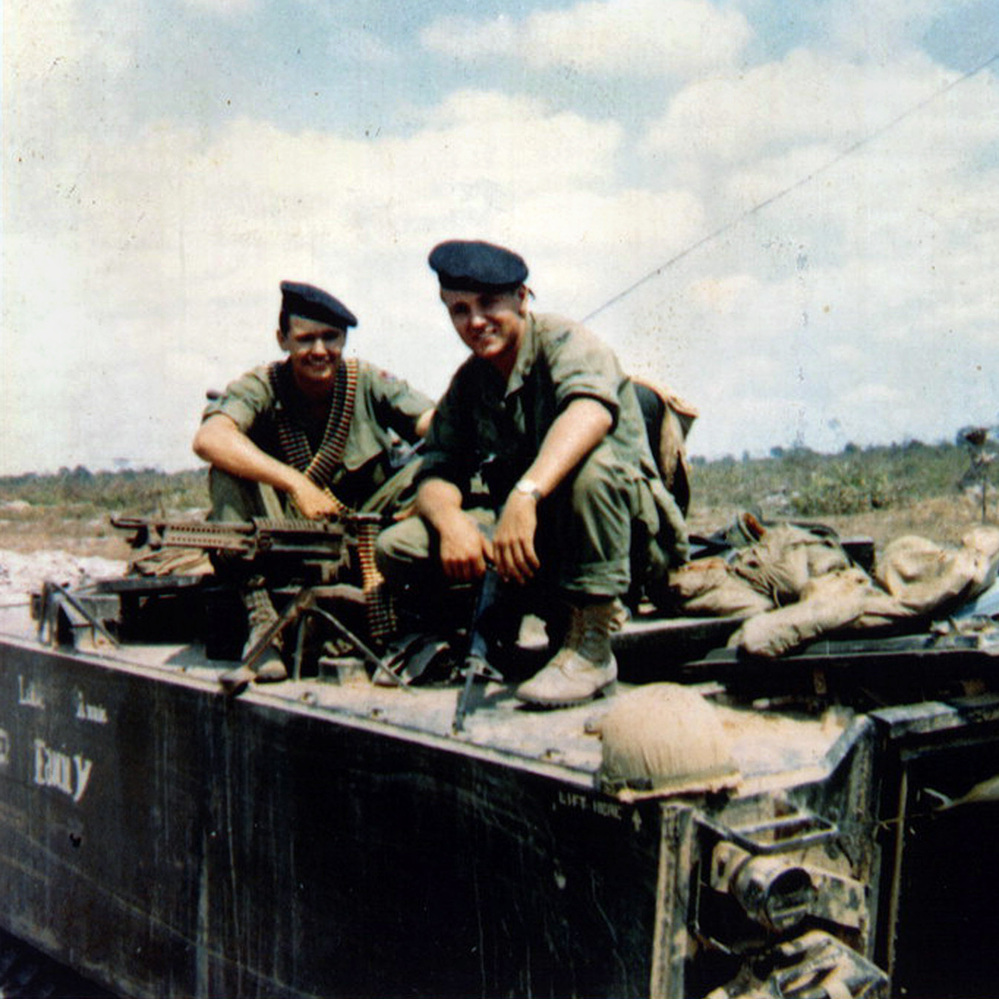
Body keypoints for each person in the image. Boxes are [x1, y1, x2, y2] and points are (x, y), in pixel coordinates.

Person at [376, 240, 688, 708]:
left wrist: (525, 495)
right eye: (459, 310)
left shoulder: (566, 341)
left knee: (593, 469)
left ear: (521, 298)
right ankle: (499, 622)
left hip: (623, 542)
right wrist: (451, 523)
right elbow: (436, 468)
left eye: (488, 304)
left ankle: (593, 648)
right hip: (537, 545)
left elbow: (589, 413)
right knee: (399, 545)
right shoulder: (471, 382)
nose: (475, 321)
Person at [193, 280, 434, 691]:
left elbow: (434, 423)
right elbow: (209, 439)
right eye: (305, 339)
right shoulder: (262, 386)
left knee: (435, 465)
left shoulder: (367, 381)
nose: (319, 350)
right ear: (282, 339)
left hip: (365, 537)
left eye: (331, 337)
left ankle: (410, 613)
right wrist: (295, 485)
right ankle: (261, 621)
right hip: (284, 535)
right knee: (227, 471)